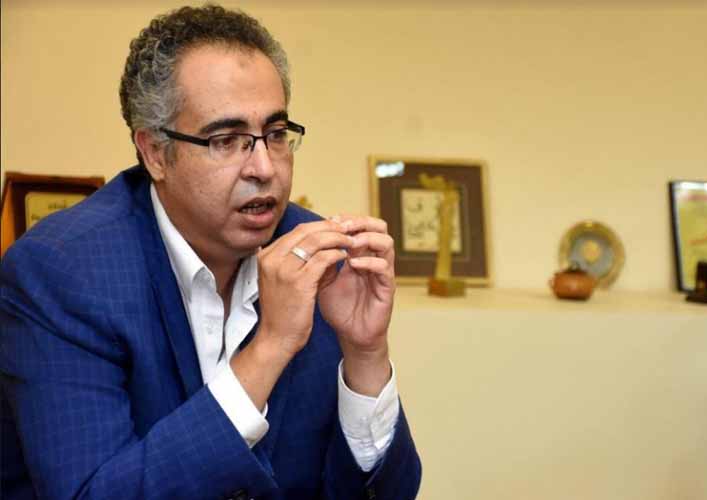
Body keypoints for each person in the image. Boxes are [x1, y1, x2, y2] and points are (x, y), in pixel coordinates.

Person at [0, 5, 421, 500]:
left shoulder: (318, 259)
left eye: (276, 135)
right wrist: (269, 348)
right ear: (155, 153)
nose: (264, 167)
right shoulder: (62, 272)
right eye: (226, 140)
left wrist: (365, 355)